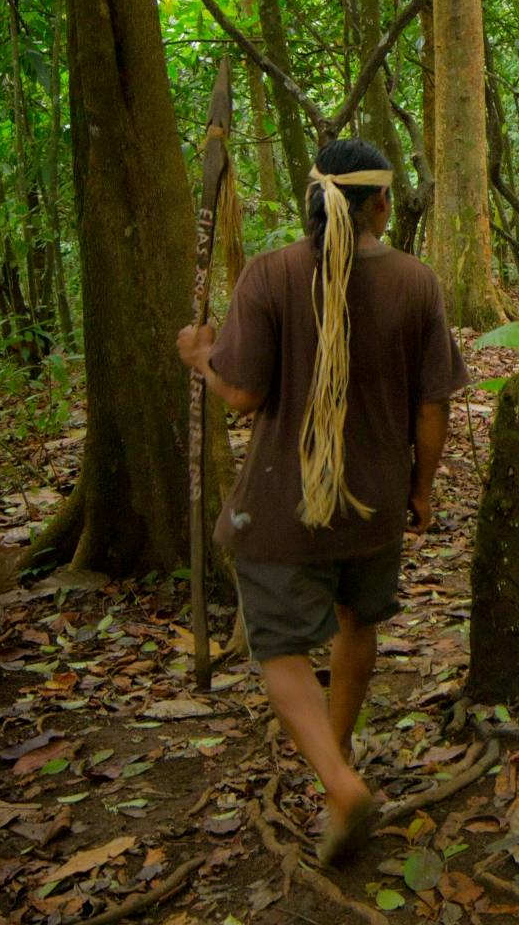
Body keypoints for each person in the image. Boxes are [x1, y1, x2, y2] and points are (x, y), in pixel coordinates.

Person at [177, 139, 469, 864]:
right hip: (373, 504)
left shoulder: (270, 275)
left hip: (282, 511)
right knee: (356, 619)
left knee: (279, 647)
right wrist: (420, 488)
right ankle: (337, 758)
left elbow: (241, 394)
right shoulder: (416, 282)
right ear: (378, 205)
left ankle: (338, 782)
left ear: (313, 199)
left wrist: (198, 360)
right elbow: (433, 406)